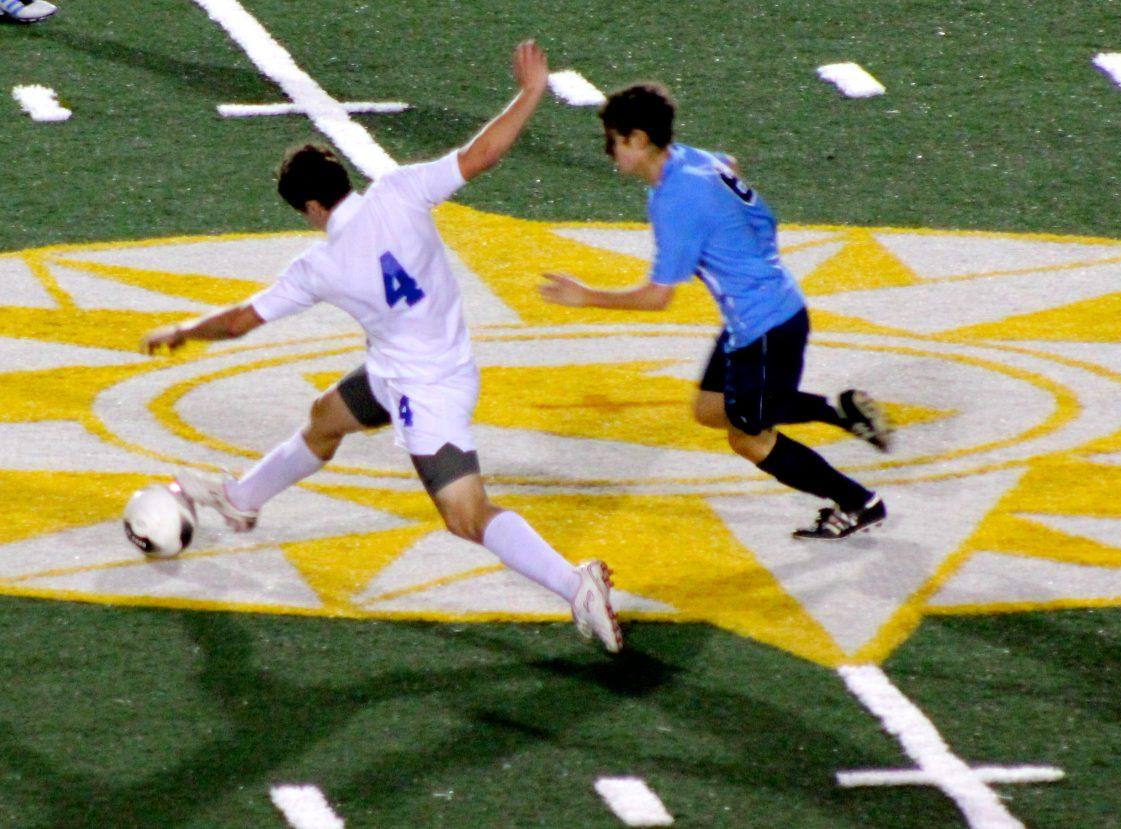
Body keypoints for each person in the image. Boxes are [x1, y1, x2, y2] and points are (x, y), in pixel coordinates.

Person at [140, 41, 622, 653]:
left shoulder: (320, 264)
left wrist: (182, 331)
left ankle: (572, 582)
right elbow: (484, 153)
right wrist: (529, 93)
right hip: (406, 370)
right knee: (325, 417)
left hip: (428, 392)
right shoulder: (401, 189)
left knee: (466, 516)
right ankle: (241, 499)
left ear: (312, 207)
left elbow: (239, 323)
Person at [539, 83, 892, 540]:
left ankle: (859, 502)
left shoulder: (675, 200)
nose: (609, 151)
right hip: (757, 316)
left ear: (641, 140)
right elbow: (731, 166)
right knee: (710, 409)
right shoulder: (689, 159)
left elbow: (657, 298)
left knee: (748, 437)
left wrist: (586, 296)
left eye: (615, 140)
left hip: (766, 327)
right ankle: (843, 414)